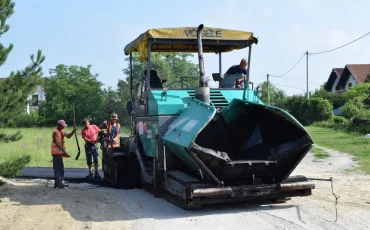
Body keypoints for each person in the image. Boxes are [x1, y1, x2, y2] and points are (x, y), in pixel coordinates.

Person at [51, 119, 77, 188]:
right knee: (58, 168)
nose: (64, 127)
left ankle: (58, 183)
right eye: (63, 126)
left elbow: (68, 136)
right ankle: (59, 183)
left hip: (59, 153)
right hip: (56, 153)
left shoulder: (61, 131)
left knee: (61, 168)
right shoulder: (55, 133)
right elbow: (57, 143)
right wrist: (64, 151)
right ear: (59, 125)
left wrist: (73, 131)